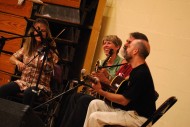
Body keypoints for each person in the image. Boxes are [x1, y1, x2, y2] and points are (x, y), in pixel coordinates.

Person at [57, 35, 128, 127]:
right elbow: (97, 81)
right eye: (104, 43)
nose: (105, 45)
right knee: (73, 96)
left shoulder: (123, 63)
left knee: (83, 100)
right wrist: (93, 84)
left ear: (117, 47)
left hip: (108, 100)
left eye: (109, 43)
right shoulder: (101, 62)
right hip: (99, 95)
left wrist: (106, 78)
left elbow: (118, 86)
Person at [83, 39, 156, 127]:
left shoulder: (141, 73)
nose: (126, 48)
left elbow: (124, 100)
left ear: (135, 51)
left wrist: (101, 91)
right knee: (94, 103)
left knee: (95, 117)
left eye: (129, 47)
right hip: (129, 112)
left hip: (139, 118)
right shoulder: (136, 70)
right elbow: (123, 94)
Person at [0, 18, 58, 106]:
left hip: (40, 86)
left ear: (46, 34)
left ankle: (23, 118)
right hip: (23, 83)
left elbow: (51, 68)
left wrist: (48, 57)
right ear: (33, 32)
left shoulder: (50, 49)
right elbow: (12, 58)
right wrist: (18, 63)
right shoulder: (27, 48)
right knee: (3, 90)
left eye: (43, 31)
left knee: (28, 93)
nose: (39, 33)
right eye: (37, 30)